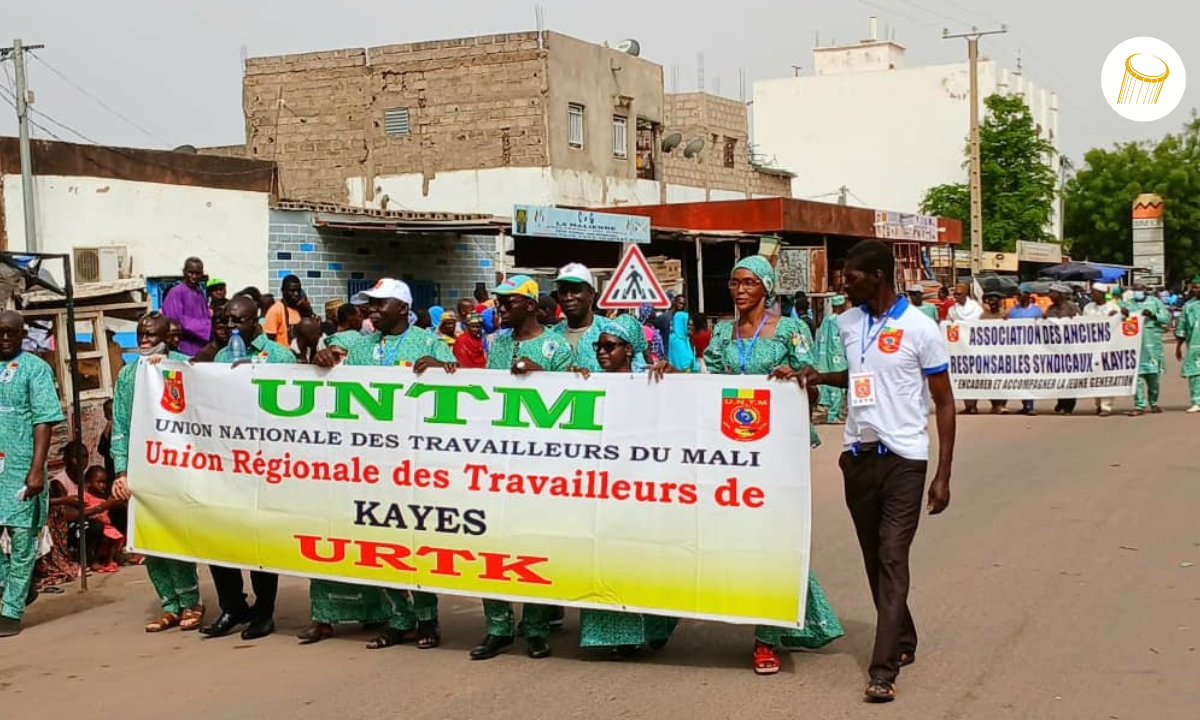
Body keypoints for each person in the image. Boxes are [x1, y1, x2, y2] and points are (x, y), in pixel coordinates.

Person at [804, 240, 956, 703]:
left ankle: (883, 668)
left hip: (906, 459)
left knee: (893, 557)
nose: (842, 284)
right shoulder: (848, 323)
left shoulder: (921, 327)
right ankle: (904, 637)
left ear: (878, 276)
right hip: (859, 458)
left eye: (850, 277)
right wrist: (816, 377)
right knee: (875, 558)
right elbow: (862, 375)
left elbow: (945, 402)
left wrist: (943, 473)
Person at [695, 256, 843, 675]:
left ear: (767, 288)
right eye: (734, 283)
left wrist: (795, 377)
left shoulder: (792, 331)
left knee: (772, 540)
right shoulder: (723, 333)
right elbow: (707, 385)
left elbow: (812, 383)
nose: (739, 290)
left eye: (748, 283)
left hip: (777, 450)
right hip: (729, 451)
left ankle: (767, 638)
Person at [308, 279, 457, 649]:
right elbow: (326, 357)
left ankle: (427, 620)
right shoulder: (357, 343)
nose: (371, 309)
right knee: (379, 543)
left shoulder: (428, 341)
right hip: (368, 464)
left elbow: (462, 376)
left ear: (403, 308)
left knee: (415, 542)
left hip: (415, 465)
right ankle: (398, 619)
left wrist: (442, 367)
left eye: (379, 303)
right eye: (368, 304)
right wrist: (322, 356)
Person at [472, 275, 574, 662]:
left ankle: (534, 627)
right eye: (499, 302)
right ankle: (496, 627)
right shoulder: (495, 343)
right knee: (493, 544)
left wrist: (543, 376)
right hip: (498, 459)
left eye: (508, 302)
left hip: (541, 464)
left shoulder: (556, 346)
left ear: (530, 305)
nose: (500, 308)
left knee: (535, 545)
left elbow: (575, 397)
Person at [576, 315, 679, 657]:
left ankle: (655, 625)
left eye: (610, 346)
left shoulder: (651, 382)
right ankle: (611, 635)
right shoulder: (589, 384)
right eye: (598, 346)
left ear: (629, 349)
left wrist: (674, 378)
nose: (602, 353)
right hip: (601, 486)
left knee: (643, 557)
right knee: (604, 555)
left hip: (642, 488)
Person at [200, 296, 295, 640]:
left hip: (266, 462)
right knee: (220, 538)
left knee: (259, 541)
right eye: (226, 321)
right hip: (229, 461)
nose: (231, 327)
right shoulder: (222, 356)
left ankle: (264, 612)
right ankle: (232, 606)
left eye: (238, 321)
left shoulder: (280, 355)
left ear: (255, 321)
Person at [110, 312, 205, 632]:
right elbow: (120, 425)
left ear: (167, 336)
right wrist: (120, 471)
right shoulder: (127, 375)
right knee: (148, 541)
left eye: (151, 335)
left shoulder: (183, 365)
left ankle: (192, 603)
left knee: (174, 536)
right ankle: (169, 604)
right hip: (140, 469)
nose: (144, 340)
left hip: (173, 467)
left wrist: (167, 371)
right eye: (140, 334)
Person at [0, 310, 67, 637]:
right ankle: (15, 590)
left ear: (22, 334)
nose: (4, 338)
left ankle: (11, 610)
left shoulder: (35, 369)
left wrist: (36, 470)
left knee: (22, 537)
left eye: (11, 333)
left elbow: (44, 420)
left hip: (22, 468)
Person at [1122, 283, 1170, 416]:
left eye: (1139, 289)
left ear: (1145, 290)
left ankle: (1154, 403)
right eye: (1135, 290)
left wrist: (1153, 315)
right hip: (1134, 346)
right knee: (1137, 378)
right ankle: (1139, 406)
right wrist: (1123, 315)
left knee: (1153, 378)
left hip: (1152, 346)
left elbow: (1166, 318)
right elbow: (1117, 320)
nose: (1137, 292)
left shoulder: (1155, 302)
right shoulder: (1127, 304)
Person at [554, 263, 612, 372]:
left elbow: (637, 373)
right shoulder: (550, 336)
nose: (568, 297)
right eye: (563, 291)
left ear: (591, 294)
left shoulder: (612, 331)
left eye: (575, 290)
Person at [1083, 283, 1122, 417]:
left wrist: (1115, 316)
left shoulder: (1113, 307)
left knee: (1107, 376)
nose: (1092, 295)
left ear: (1101, 293)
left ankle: (1106, 406)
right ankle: (1098, 404)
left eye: (1094, 292)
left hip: (1109, 346)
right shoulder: (1088, 307)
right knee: (1095, 377)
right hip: (1092, 346)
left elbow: (1120, 322)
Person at [160, 257, 211, 356]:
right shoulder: (176, 292)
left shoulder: (200, 292)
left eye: (198, 273)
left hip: (202, 346)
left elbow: (205, 316)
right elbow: (176, 321)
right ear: (184, 272)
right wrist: (208, 327)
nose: (194, 276)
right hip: (183, 347)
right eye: (191, 273)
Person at [1007, 290, 1045, 416]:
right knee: (1021, 377)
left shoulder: (1037, 310)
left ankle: (1030, 405)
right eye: (1018, 294)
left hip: (1032, 348)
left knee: (1030, 376)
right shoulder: (1013, 311)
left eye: (1023, 294)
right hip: (1017, 348)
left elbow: (1043, 327)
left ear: (1029, 296)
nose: (1020, 297)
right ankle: (1025, 404)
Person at [1046, 283, 1081, 415]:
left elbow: (1081, 323)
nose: (1050, 295)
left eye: (1052, 292)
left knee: (1070, 378)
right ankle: (1061, 400)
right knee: (1059, 378)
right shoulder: (1050, 309)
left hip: (1070, 349)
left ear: (1060, 294)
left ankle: (1069, 405)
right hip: (1055, 349)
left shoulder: (1072, 307)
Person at [815, 295, 850, 424]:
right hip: (839, 357)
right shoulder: (842, 321)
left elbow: (819, 340)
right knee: (839, 387)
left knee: (829, 385)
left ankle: (831, 412)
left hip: (825, 359)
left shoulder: (826, 320)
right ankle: (833, 415)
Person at [81, 466, 123, 574]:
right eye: (98, 482)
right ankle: (95, 560)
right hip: (95, 525)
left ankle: (110, 559)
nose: (102, 485)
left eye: (104, 482)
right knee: (104, 537)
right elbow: (87, 511)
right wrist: (105, 506)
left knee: (116, 537)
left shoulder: (103, 497)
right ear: (88, 483)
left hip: (107, 525)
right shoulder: (86, 497)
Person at [977, 294, 1009, 415]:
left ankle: (1002, 404)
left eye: (995, 302)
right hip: (988, 353)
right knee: (990, 381)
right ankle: (995, 405)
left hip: (1003, 353)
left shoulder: (1005, 315)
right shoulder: (983, 316)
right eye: (990, 302)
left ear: (1000, 303)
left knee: (1003, 379)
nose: (992, 304)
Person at [263, 275, 311, 347]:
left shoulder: (301, 309)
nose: (296, 294)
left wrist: (308, 311)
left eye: (298, 290)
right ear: (283, 290)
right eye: (292, 291)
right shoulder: (276, 310)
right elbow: (268, 342)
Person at [1175, 278, 1200, 413]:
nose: (1195, 290)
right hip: (1195, 345)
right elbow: (1182, 327)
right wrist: (1178, 347)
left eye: (1198, 287)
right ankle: (1196, 402)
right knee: (1195, 374)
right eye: (1194, 287)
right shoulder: (1188, 306)